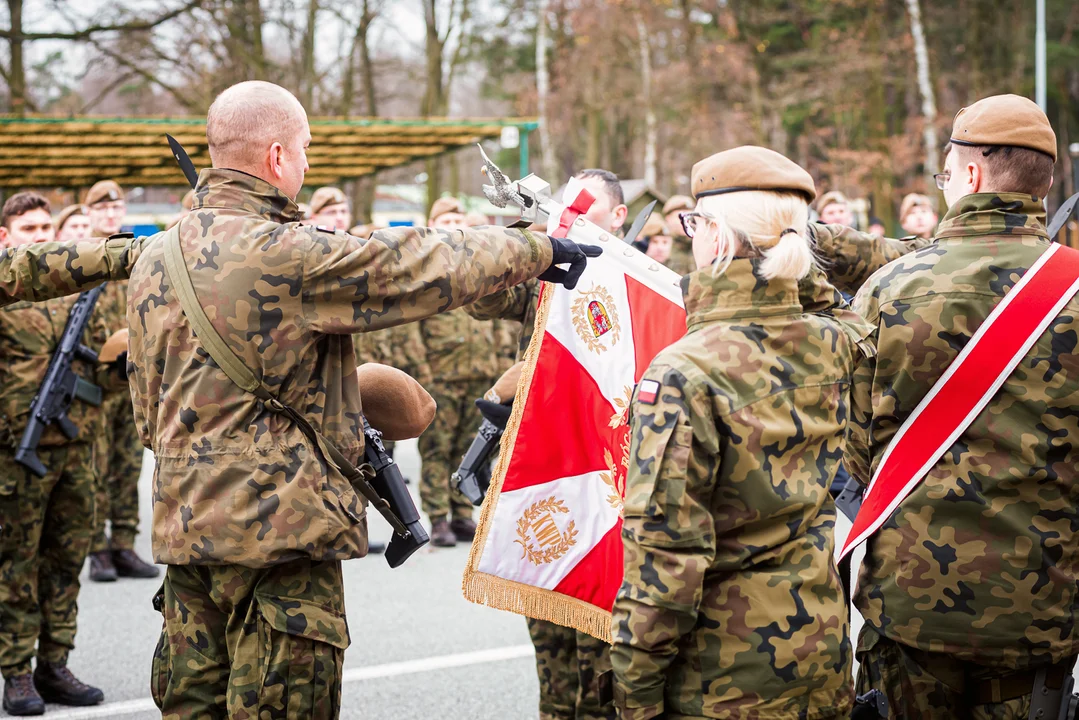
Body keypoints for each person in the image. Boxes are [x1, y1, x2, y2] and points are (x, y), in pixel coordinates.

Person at [124, 80, 595, 720]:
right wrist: (536, 249)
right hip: (278, 544)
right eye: (306, 148)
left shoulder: (155, 256)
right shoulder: (278, 251)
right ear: (275, 158)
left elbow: (146, 408)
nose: (309, 162)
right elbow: (406, 262)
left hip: (186, 540)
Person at [848, 95, 1078, 718]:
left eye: (945, 173)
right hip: (1042, 606)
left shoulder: (888, 288)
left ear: (970, 176)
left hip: (910, 607)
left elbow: (855, 451)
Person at [611, 146, 857, 720]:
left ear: (716, 239)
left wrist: (636, 696)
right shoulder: (831, 342)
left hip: (722, 681)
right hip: (820, 657)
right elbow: (836, 310)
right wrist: (788, 262)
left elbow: (666, 561)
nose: (690, 236)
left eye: (695, 224)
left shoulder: (684, 371)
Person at [467, 168, 630, 720]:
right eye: (567, 207)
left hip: (608, 479)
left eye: (586, 208)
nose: (575, 216)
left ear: (618, 216)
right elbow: (484, 300)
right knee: (552, 645)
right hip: (545, 470)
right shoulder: (550, 270)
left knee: (607, 659)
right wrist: (522, 233)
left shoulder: (645, 285)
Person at [0, 193, 111, 714]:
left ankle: (55, 663)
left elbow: (106, 375)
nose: (42, 234)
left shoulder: (82, 294)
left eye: (47, 225)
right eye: (29, 227)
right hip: (14, 455)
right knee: (15, 566)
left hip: (77, 449)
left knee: (66, 562)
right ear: (7, 237)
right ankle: (16, 672)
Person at [83, 180, 157, 583]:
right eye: (103, 209)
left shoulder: (134, 258)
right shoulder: (81, 259)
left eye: (116, 209)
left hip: (129, 377)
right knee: (96, 467)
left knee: (128, 466)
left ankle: (123, 544)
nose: (111, 215)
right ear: (89, 211)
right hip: (93, 378)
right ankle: (97, 549)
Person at [417, 196, 501, 547]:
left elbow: (495, 318)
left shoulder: (475, 264)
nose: (454, 224)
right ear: (433, 222)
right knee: (438, 448)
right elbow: (410, 326)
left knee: (472, 449)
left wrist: (497, 365)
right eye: (446, 218)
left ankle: (462, 513)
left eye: (458, 218)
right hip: (441, 376)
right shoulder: (423, 266)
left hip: (480, 372)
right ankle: (437, 518)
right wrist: (422, 372)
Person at [662, 195, 696, 275]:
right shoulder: (660, 245)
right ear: (668, 218)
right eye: (681, 217)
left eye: (689, 217)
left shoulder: (699, 245)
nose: (687, 222)